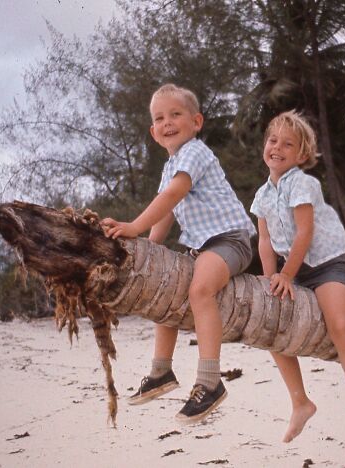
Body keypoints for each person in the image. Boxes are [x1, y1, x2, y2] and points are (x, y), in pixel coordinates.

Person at [101, 83, 255, 423]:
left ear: (196, 121)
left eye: (176, 114)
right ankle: (161, 372)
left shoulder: (195, 153)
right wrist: (148, 253)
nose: (168, 122)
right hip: (203, 246)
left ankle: (211, 381)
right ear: (154, 132)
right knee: (166, 290)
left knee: (200, 290)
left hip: (231, 239)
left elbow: (173, 197)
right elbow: (166, 216)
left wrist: (134, 227)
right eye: (160, 118)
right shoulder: (170, 166)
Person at [249, 110, 345, 457]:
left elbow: (305, 231)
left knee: (341, 325)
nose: (277, 147)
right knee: (269, 323)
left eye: (288, 144)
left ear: (301, 155)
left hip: (325, 264)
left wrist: (287, 274)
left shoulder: (303, 183)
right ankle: (300, 401)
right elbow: (264, 240)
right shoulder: (262, 194)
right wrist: (268, 277)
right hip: (293, 268)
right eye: (273, 140)